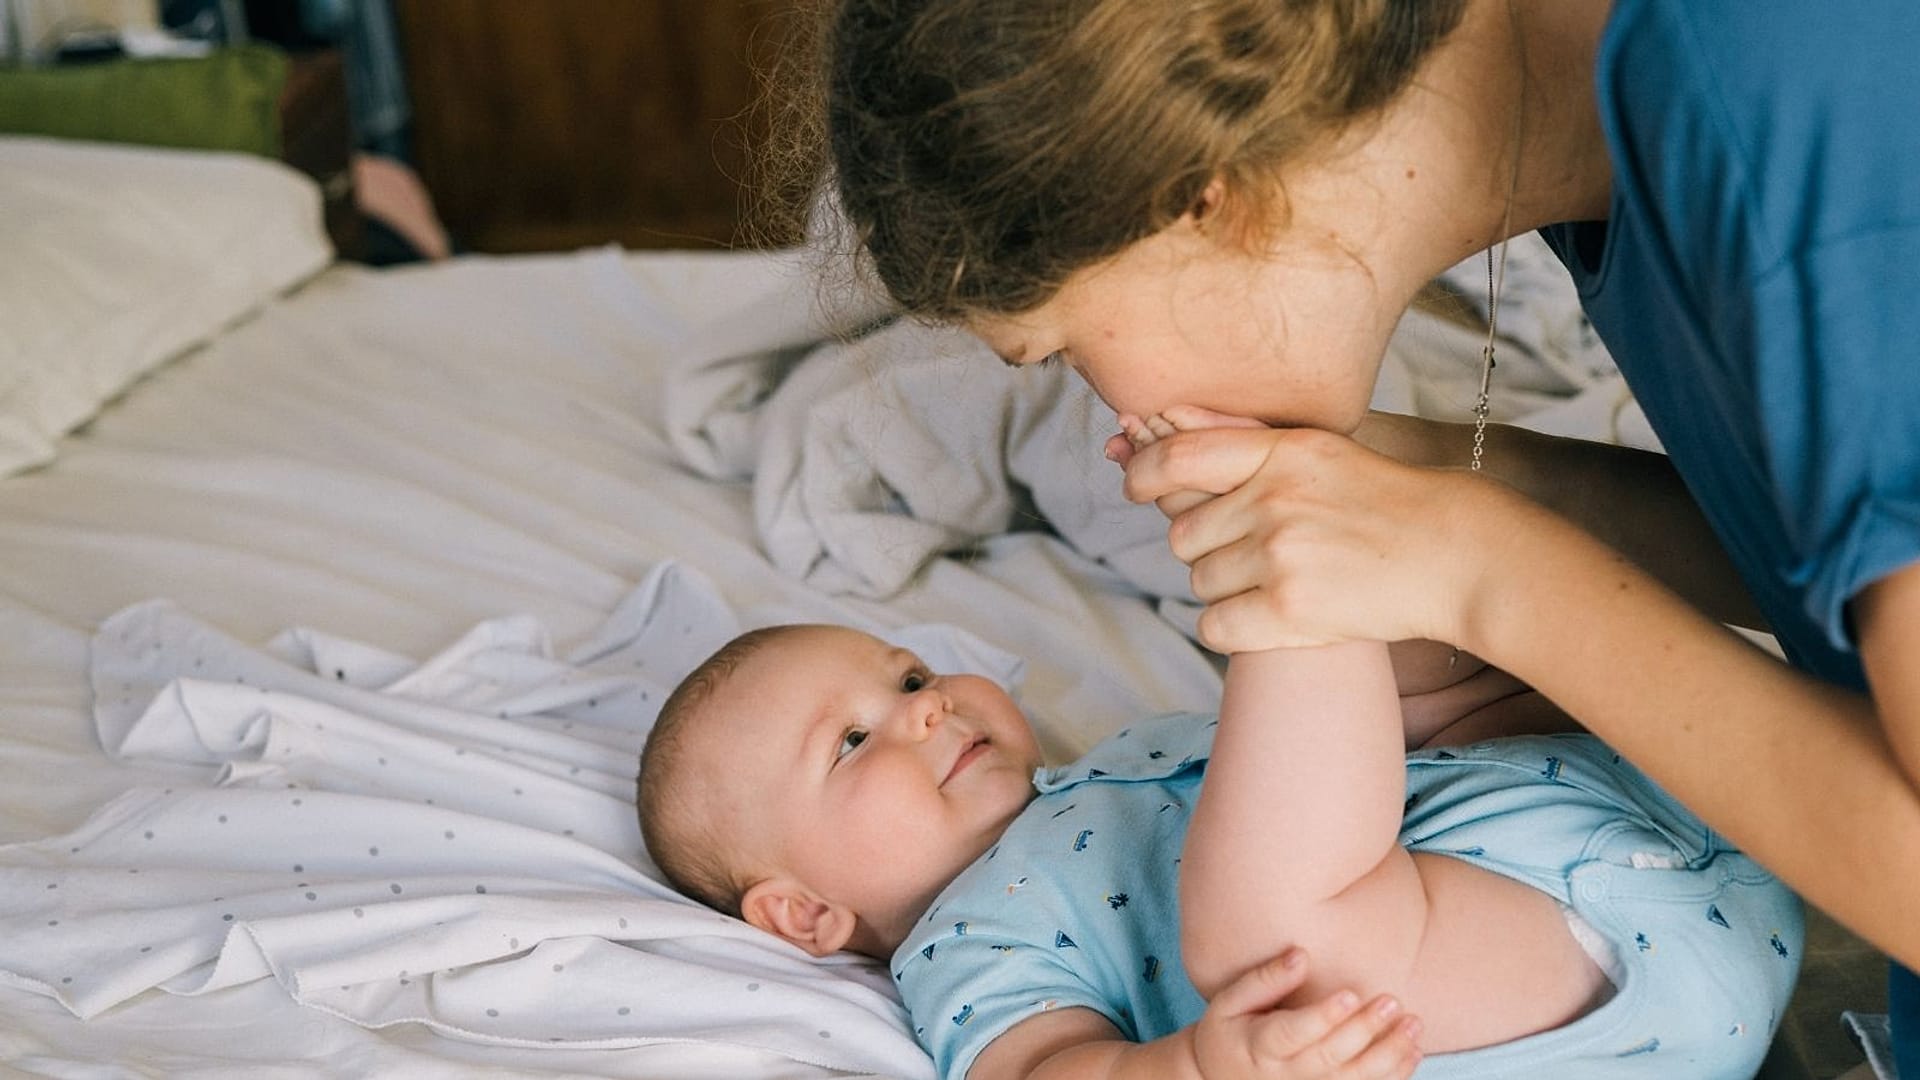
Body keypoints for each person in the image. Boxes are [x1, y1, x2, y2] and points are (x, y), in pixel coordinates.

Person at [798, 0, 1920, 1066]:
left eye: (1062, 353)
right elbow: (1833, 558)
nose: (1111, 405)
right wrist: (1456, 485)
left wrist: (1487, 570)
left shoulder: (1780, 120)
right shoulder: (1633, 135)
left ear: (1200, 199)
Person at [635, 539, 1801, 1080]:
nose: (926, 711)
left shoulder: (1115, 761)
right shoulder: (963, 949)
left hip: (1689, 823)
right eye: (852, 742)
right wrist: (1199, 1069)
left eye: (907, 678)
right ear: (802, 916)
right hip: (1558, 989)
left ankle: (1391, 559)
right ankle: (1310, 583)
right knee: (1285, 928)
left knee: (1392, 672)